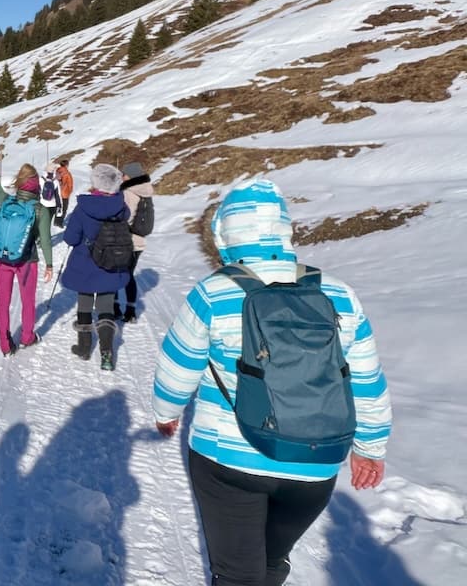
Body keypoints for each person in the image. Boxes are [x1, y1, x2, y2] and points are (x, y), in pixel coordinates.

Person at [152, 179, 391, 586]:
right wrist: (370, 446)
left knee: (236, 573)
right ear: (285, 230)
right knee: (270, 560)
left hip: (228, 460)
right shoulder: (338, 294)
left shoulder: (215, 291)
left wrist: (166, 413)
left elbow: (178, 365)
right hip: (314, 464)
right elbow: (364, 379)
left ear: (224, 234)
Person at [60, 163, 130, 371]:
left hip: (85, 264)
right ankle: (107, 354)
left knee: (85, 302)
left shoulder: (84, 208)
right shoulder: (121, 208)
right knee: (106, 306)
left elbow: (71, 238)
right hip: (112, 263)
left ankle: (83, 347)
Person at [0, 163, 53, 356]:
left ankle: (5, 345)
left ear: (20, 183)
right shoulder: (40, 210)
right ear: (36, 186)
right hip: (26, 262)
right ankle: (26, 337)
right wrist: (49, 264)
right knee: (27, 300)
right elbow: (46, 241)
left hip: (1, 259)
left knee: (3, 301)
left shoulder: (7, 201)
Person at [117, 161, 153, 323]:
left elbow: (127, 216)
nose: (122, 177)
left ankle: (115, 308)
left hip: (127, 240)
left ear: (130, 176)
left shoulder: (130, 192)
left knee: (117, 274)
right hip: (139, 241)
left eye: (123, 174)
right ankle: (130, 310)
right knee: (129, 275)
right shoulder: (145, 190)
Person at [54, 156, 74, 227]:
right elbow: (70, 184)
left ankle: (56, 221)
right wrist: (69, 192)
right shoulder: (67, 173)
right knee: (64, 208)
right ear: (66, 165)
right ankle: (59, 223)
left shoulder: (57, 171)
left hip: (57, 193)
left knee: (58, 207)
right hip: (64, 193)